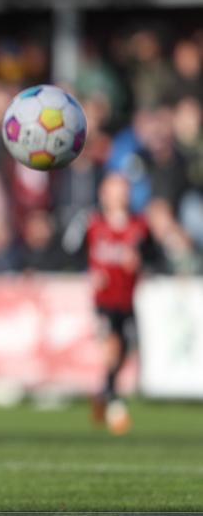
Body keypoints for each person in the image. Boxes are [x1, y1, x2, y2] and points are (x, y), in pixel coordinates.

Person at [63, 173, 152, 435]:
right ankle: (115, 404)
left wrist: (140, 262)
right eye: (115, 189)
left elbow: (153, 254)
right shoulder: (93, 223)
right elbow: (72, 252)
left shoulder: (139, 225)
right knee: (112, 346)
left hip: (127, 298)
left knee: (126, 349)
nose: (120, 194)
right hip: (104, 300)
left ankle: (103, 393)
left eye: (123, 189)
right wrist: (89, 272)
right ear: (104, 193)